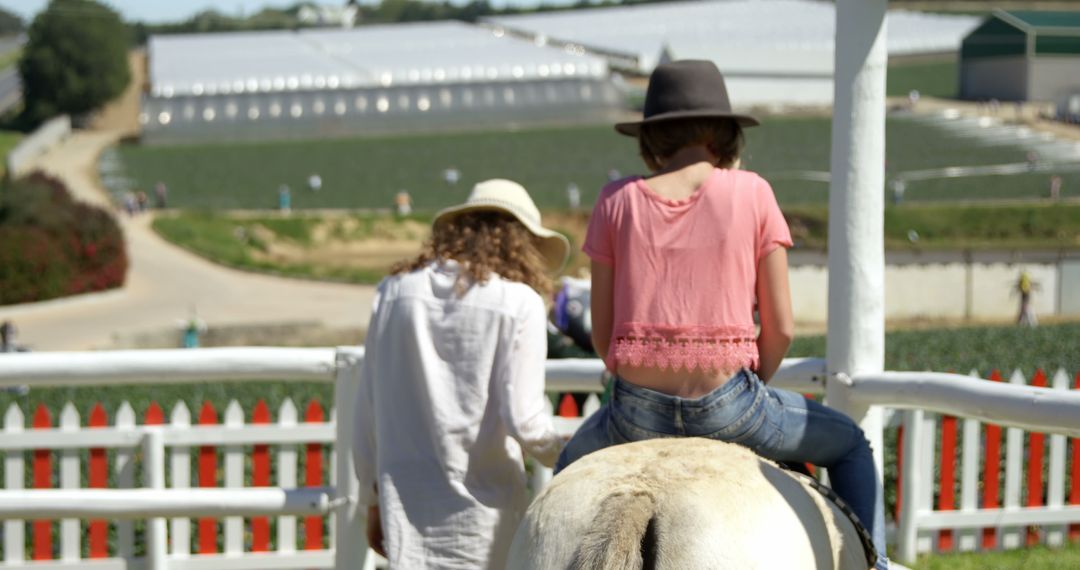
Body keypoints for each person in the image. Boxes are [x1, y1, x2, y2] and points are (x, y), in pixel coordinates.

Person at [556, 60, 889, 568]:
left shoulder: (614, 201)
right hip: (729, 405)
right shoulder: (752, 192)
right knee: (851, 446)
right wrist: (751, 389)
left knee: (565, 473)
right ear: (724, 133)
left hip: (632, 414)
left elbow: (603, 337)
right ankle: (877, 564)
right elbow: (779, 328)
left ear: (652, 138)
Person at [354, 179, 570, 568]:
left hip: (404, 506)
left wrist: (371, 500)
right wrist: (584, 450)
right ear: (521, 244)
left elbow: (367, 410)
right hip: (484, 516)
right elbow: (527, 423)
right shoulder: (518, 302)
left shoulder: (393, 291)